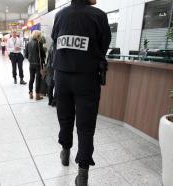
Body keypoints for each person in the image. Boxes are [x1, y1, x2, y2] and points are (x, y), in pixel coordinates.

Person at [51, 0, 111, 185]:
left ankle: (65, 151)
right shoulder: (98, 15)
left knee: (65, 118)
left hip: (62, 75)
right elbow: (104, 44)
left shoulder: (60, 15)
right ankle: (83, 173)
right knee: (86, 127)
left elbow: (55, 40)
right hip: (87, 77)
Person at [25, 30, 46, 100]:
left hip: (31, 64)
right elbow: (43, 54)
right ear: (38, 36)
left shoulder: (28, 43)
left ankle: (30, 93)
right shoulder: (38, 43)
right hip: (38, 64)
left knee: (31, 78)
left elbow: (26, 55)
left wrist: (30, 59)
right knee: (38, 79)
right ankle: (37, 95)